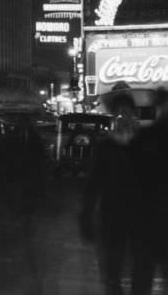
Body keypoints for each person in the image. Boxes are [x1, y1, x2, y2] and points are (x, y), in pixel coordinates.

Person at [80, 88, 140, 295]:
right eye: (119, 113)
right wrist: (86, 214)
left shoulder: (145, 144)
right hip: (111, 218)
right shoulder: (105, 146)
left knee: (138, 274)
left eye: (127, 113)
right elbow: (93, 183)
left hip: (139, 220)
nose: (124, 117)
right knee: (112, 274)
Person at [131, 87, 168, 295]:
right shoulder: (145, 137)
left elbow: (132, 182)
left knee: (143, 275)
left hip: (148, 219)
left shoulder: (145, 138)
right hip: (152, 218)